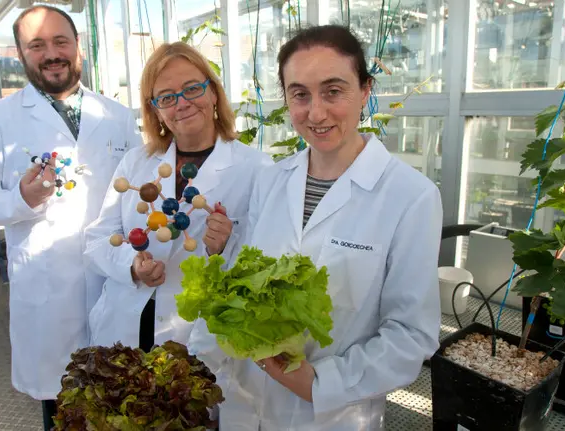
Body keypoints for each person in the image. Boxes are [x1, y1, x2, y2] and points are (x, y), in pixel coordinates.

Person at [190, 25, 443, 430]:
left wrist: (319, 383)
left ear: (365, 90)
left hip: (329, 413)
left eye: (333, 90)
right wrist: (198, 360)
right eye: (300, 94)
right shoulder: (272, 180)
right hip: (244, 401)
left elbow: (410, 333)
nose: (316, 112)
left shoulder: (411, 197)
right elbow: (242, 281)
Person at [0, 5, 140, 430]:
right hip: (46, 293)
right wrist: (21, 197)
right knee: (64, 412)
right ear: (20, 54)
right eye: (37, 45)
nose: (51, 53)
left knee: (124, 402)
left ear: (79, 48)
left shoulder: (118, 116)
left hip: (113, 284)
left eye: (61, 42)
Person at [83, 42, 271, 354]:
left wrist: (224, 249)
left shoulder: (258, 168)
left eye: (192, 89)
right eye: (167, 97)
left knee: (186, 398)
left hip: (196, 331)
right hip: (126, 321)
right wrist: (132, 266)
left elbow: (268, 260)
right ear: (155, 110)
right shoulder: (136, 162)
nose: (181, 103)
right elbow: (98, 239)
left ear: (213, 93)